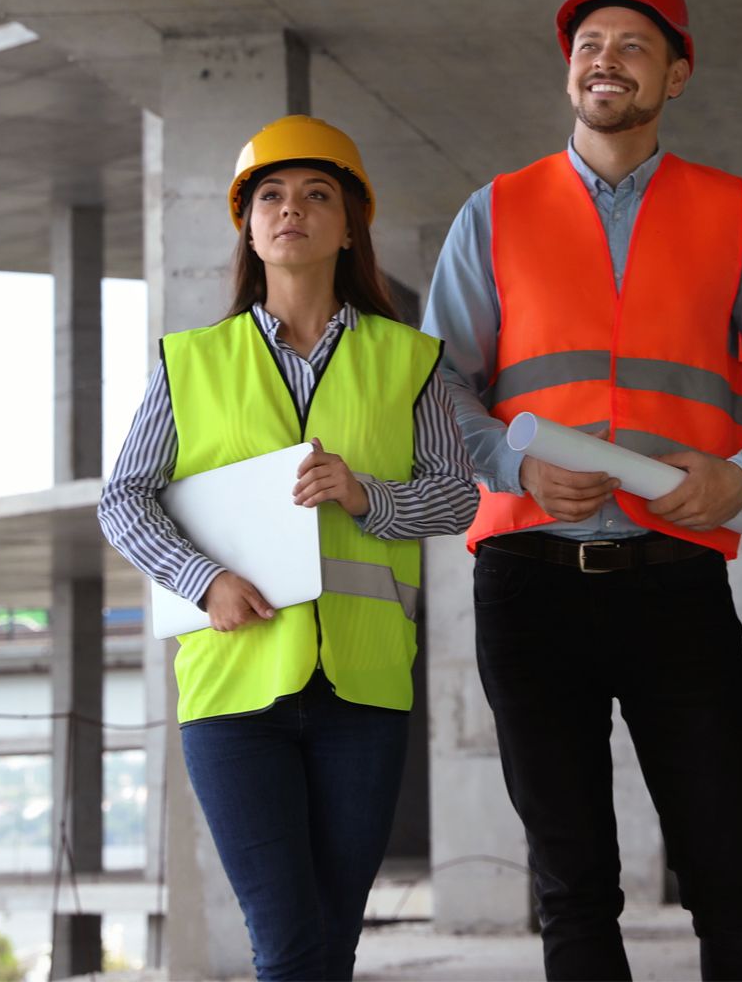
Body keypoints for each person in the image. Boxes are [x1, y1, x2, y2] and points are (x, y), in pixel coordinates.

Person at [422, 0, 742, 981]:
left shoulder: (732, 210)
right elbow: (438, 389)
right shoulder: (497, 210)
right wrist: (512, 467)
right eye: (588, 46)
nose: (605, 62)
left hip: (675, 579)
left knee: (727, 871)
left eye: (633, 45)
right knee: (572, 886)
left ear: (677, 74)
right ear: (569, 70)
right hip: (528, 586)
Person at [98, 114, 477, 981]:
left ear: (349, 228)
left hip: (364, 692)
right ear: (249, 225)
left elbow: (457, 494)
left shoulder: (409, 360)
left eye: (317, 195)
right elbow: (123, 499)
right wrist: (204, 580)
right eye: (269, 195)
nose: (291, 209)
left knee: (327, 948)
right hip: (233, 694)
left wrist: (367, 495)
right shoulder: (190, 362)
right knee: (290, 946)